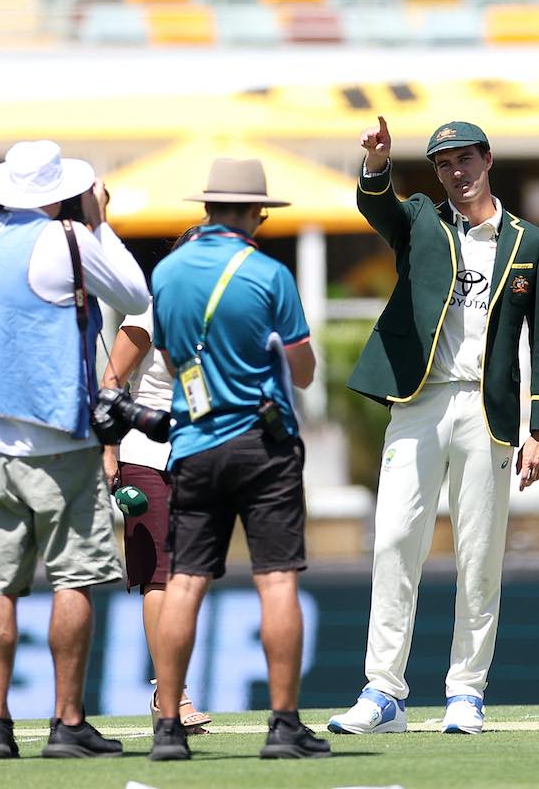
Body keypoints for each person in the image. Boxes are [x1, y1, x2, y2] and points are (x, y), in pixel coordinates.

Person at [327, 117, 539, 736]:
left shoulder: (530, 243)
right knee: (393, 541)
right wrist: (377, 165)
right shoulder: (422, 222)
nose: (455, 173)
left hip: (489, 412)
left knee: (478, 555)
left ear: (487, 160)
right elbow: (377, 208)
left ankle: (466, 691)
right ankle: (384, 692)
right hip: (419, 400)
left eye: (464, 160)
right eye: (443, 164)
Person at [0, 140, 150, 758]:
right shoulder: (65, 243)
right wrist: (99, 224)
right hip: (58, 438)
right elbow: (134, 293)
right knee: (75, 577)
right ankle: (67, 722)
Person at [147, 157, 325, 761]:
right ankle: (283, 725)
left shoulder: (167, 273)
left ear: (206, 208)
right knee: (275, 580)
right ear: (255, 212)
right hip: (262, 440)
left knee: (186, 581)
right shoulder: (268, 274)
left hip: (195, 442)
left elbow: (170, 362)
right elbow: (302, 371)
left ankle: (168, 725)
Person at [101, 244, 211, 734]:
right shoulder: (148, 307)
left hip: (195, 458)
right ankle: (172, 696)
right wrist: (108, 454)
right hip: (146, 456)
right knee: (161, 576)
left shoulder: (213, 314)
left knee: (187, 576)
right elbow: (111, 383)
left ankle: (171, 693)